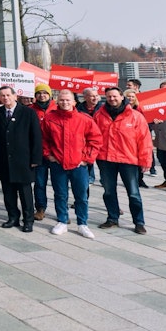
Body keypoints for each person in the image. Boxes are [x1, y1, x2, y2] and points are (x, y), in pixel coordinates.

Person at [42, 89, 103, 237]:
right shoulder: (49, 118)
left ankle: (82, 223)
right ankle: (62, 221)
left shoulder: (84, 119)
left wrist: (86, 159)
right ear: (57, 101)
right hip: (58, 163)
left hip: (78, 165)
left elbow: (95, 140)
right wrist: (48, 155)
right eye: (62, 100)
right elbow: (43, 139)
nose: (65, 102)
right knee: (60, 194)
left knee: (81, 195)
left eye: (68, 100)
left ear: (74, 102)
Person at [94, 87, 152, 234]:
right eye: (108, 97)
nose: (112, 99)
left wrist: (146, 160)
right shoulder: (99, 115)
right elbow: (93, 136)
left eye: (114, 96)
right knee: (108, 191)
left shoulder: (135, 116)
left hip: (128, 159)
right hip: (106, 159)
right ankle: (112, 218)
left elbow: (144, 140)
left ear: (121, 96)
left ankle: (139, 222)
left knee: (133, 193)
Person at [0, 86, 43, 232]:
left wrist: (35, 158)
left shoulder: (28, 113)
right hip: (3, 159)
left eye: (8, 95)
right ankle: (13, 217)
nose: (5, 98)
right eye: (2, 95)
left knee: (25, 193)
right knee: (8, 192)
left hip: (23, 160)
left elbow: (36, 137)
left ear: (15, 96)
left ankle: (28, 220)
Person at [30, 84, 55, 220]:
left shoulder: (57, 108)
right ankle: (40, 208)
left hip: (56, 153)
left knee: (59, 185)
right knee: (39, 183)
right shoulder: (30, 110)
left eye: (45, 93)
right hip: (38, 152)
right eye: (39, 93)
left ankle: (61, 211)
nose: (42, 95)